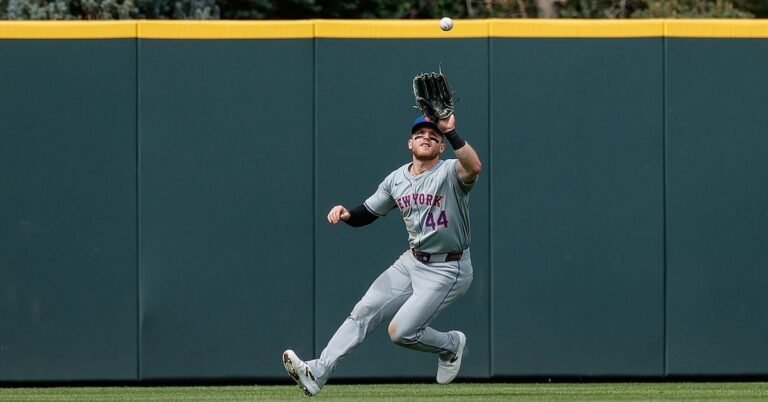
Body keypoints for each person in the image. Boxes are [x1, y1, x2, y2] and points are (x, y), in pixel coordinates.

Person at [282, 113, 482, 397]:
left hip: (449, 268)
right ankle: (318, 371)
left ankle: (451, 345)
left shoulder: (450, 171)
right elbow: (369, 211)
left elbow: (474, 166)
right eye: (420, 134)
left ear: (441, 148)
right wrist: (347, 214)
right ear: (409, 143)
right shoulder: (396, 180)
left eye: (433, 136)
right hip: (412, 261)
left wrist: (451, 132)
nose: (426, 137)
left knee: (400, 333)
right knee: (363, 311)